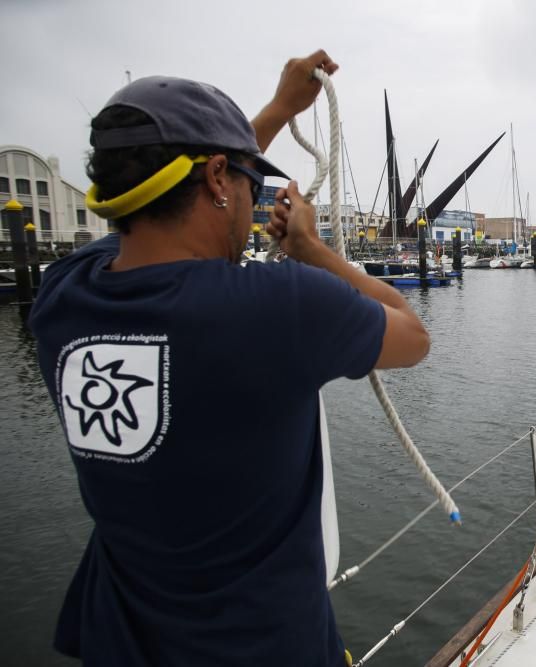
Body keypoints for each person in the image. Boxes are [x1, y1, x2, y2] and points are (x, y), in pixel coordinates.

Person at [28, 51, 429, 666]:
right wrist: (313, 250)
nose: (253, 198)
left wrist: (271, 115)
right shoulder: (279, 307)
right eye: (249, 181)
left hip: (120, 646)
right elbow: (412, 335)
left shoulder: (63, 297)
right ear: (218, 178)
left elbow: (135, 235)